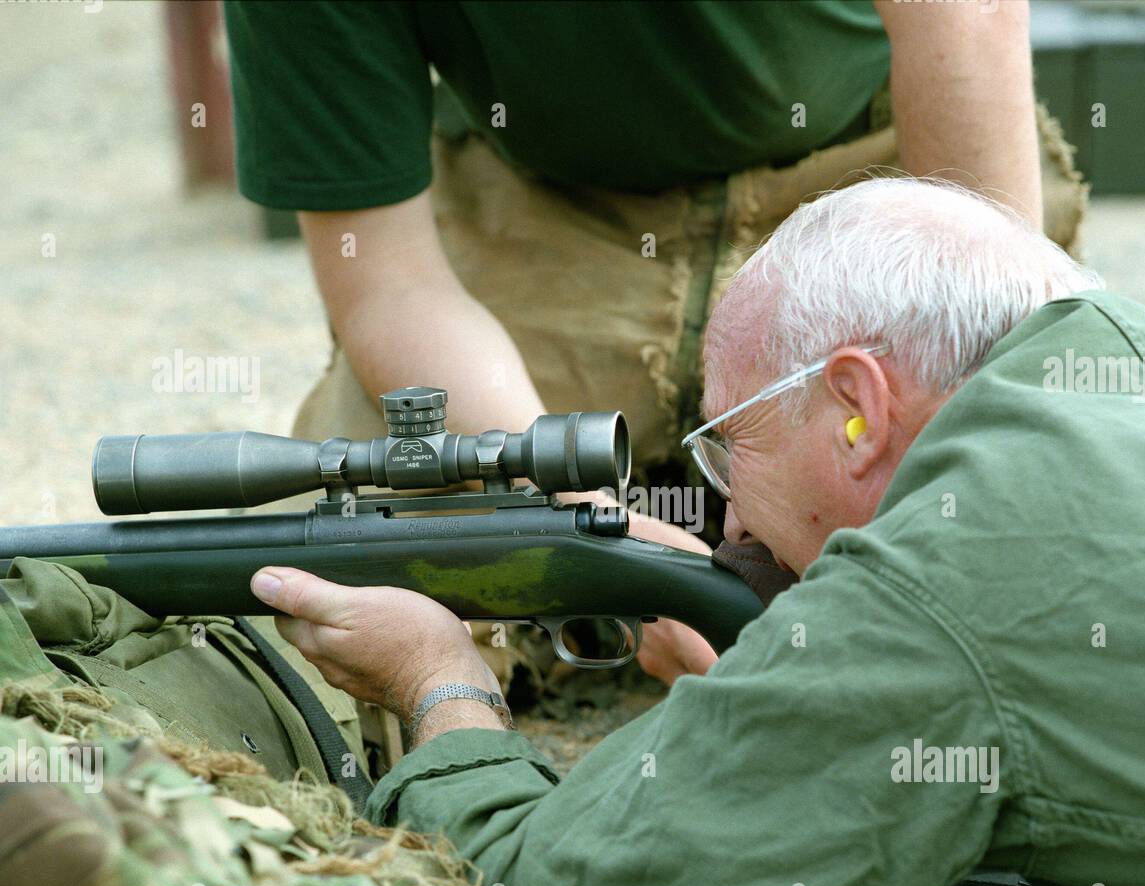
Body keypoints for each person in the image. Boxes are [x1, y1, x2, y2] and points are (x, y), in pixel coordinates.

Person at [247, 178, 1145, 886]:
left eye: (727, 441)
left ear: (855, 405)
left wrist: (440, 682)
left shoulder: (941, 579)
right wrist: (789, 690)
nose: (732, 518)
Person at [224, 0, 1088, 683]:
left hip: (878, 184)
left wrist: (946, 445)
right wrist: (595, 530)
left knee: (1042, 513)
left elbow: (967, 24)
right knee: (330, 555)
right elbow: (390, 286)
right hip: (546, 214)